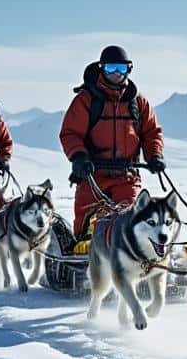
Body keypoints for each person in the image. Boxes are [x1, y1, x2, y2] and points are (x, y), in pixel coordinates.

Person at [58, 45, 166, 237]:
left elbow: (151, 133)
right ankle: (80, 260)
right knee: (85, 225)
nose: (116, 73)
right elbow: (70, 133)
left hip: (126, 176)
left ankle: (128, 261)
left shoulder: (138, 103)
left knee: (130, 223)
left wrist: (154, 155)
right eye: (110, 68)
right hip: (92, 175)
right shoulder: (86, 100)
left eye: (121, 68)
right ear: (101, 69)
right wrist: (79, 156)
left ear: (129, 70)